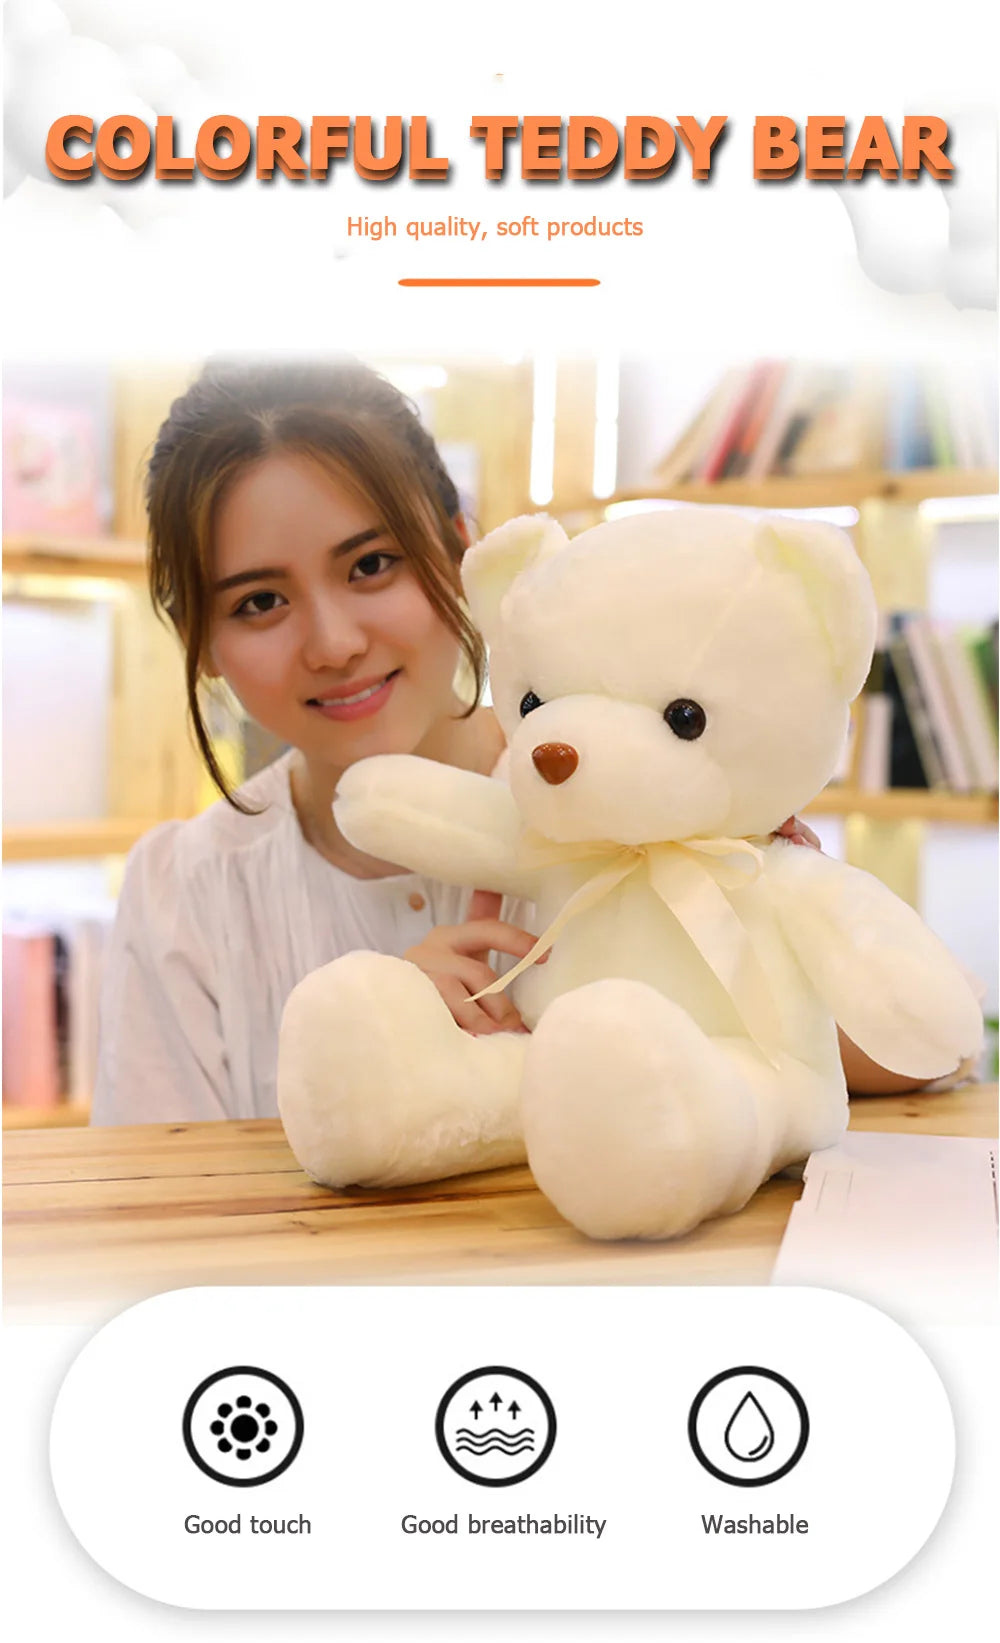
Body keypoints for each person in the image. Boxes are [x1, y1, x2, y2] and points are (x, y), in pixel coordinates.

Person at [92, 357, 935, 1126]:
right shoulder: (183, 894)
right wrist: (381, 1035)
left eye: (372, 564)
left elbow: (924, 1053)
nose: (333, 642)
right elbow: (158, 1199)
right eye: (258, 602)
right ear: (199, 637)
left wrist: (763, 924)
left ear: (461, 548)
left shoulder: (643, 799)